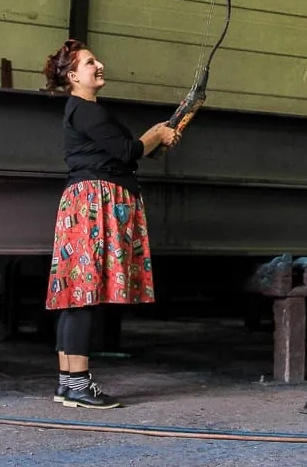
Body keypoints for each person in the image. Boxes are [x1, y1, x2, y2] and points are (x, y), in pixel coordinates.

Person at [41, 38, 179, 409]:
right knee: (84, 295)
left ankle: (68, 383)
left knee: (76, 296)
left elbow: (123, 155)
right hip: (93, 205)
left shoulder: (84, 111)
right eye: (89, 63)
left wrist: (157, 138)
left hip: (84, 202)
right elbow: (128, 151)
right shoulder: (86, 110)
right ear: (73, 76)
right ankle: (80, 386)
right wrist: (155, 134)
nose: (97, 65)